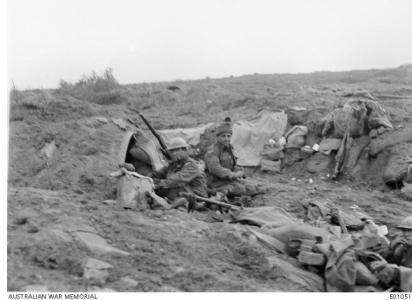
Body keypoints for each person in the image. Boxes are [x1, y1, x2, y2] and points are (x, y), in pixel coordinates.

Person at [204, 119, 260, 203]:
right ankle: (215, 192)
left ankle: (228, 192)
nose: (226, 139)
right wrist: (233, 175)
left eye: (228, 136)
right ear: (217, 137)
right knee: (241, 189)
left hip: (229, 180)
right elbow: (215, 169)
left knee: (253, 188)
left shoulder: (229, 148)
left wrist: (240, 171)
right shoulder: (212, 151)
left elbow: (233, 165)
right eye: (223, 136)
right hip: (216, 182)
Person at [154, 137, 208, 209]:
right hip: (180, 193)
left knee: (174, 187)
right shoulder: (173, 164)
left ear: (184, 150)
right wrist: (149, 180)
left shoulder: (191, 165)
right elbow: (157, 174)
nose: (173, 153)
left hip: (195, 196)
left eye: (176, 150)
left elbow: (176, 180)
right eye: (172, 151)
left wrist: (157, 184)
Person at [371, 216, 412, 291]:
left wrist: (396, 271)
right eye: (403, 230)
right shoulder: (403, 247)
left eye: (409, 231)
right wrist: (391, 248)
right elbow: (387, 262)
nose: (405, 234)